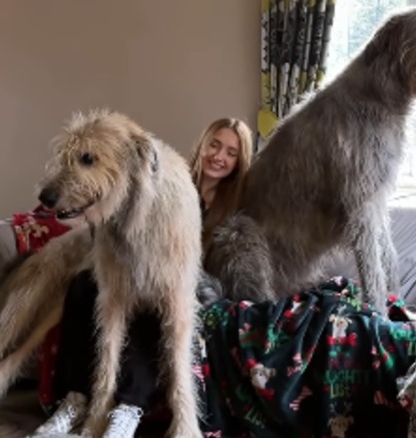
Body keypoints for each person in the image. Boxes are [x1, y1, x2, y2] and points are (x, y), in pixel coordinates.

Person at [31, 118, 255, 437]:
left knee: (153, 306)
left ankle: (129, 407)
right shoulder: (166, 173)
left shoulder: (232, 206)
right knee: (85, 287)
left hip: (191, 283)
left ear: (239, 161)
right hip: (137, 267)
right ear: (203, 143)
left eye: (231, 152)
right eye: (215, 145)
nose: (219, 156)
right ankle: (77, 399)